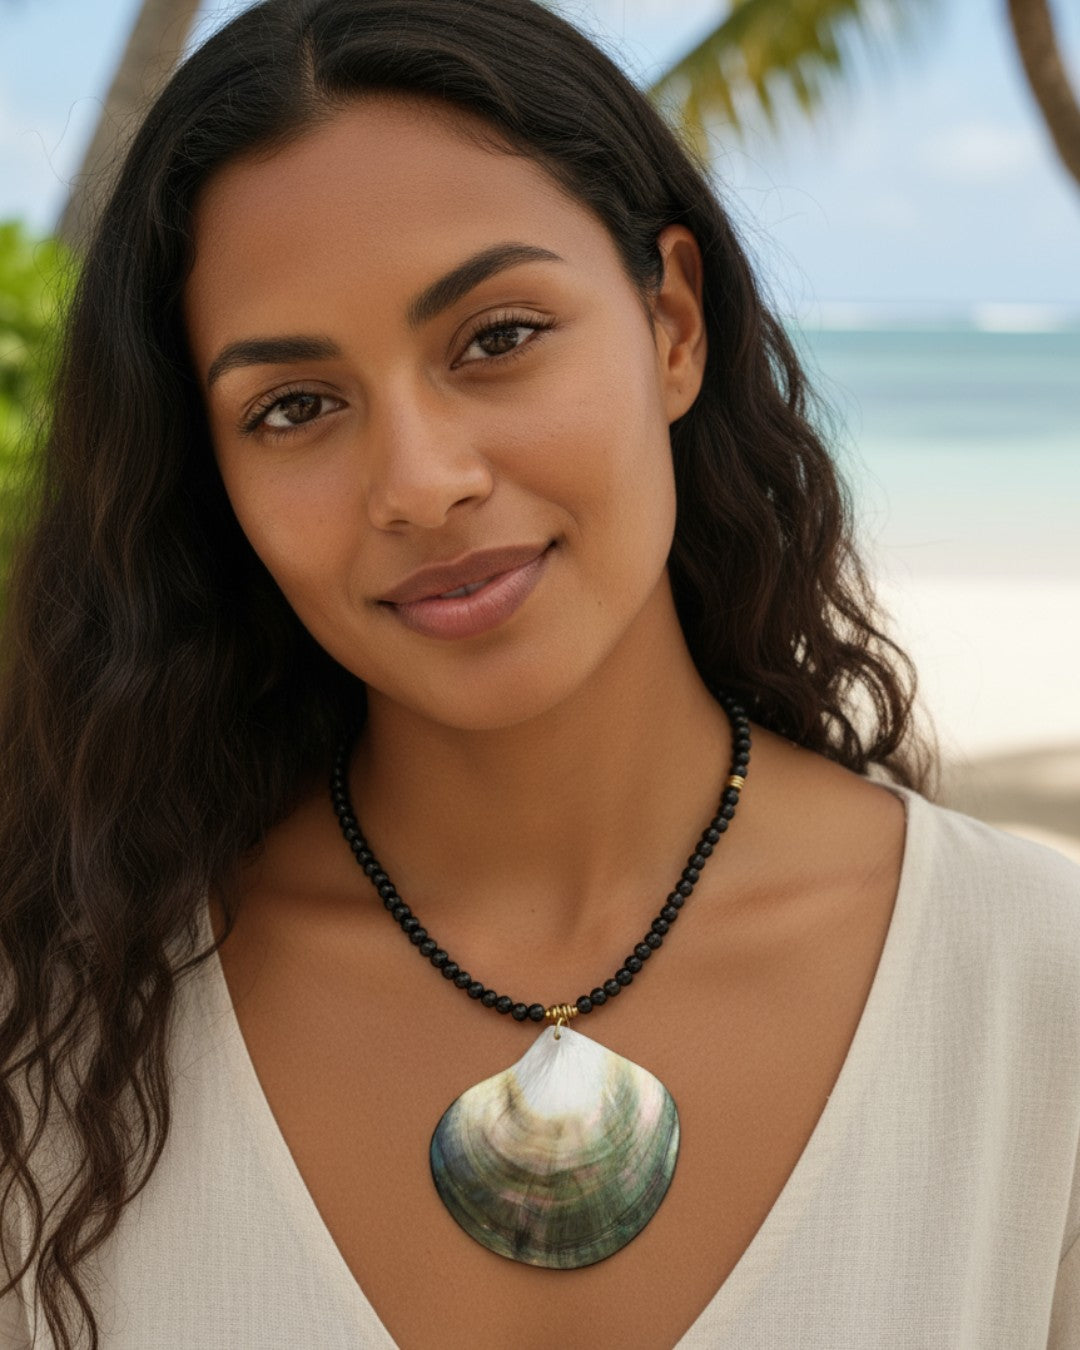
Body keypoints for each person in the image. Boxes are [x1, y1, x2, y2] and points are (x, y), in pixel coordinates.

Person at [1, 0, 1077, 1345]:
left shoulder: (1037, 985)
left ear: (671, 325)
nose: (421, 483)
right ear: (211, 478)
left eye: (497, 337)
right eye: (295, 406)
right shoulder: (52, 1030)